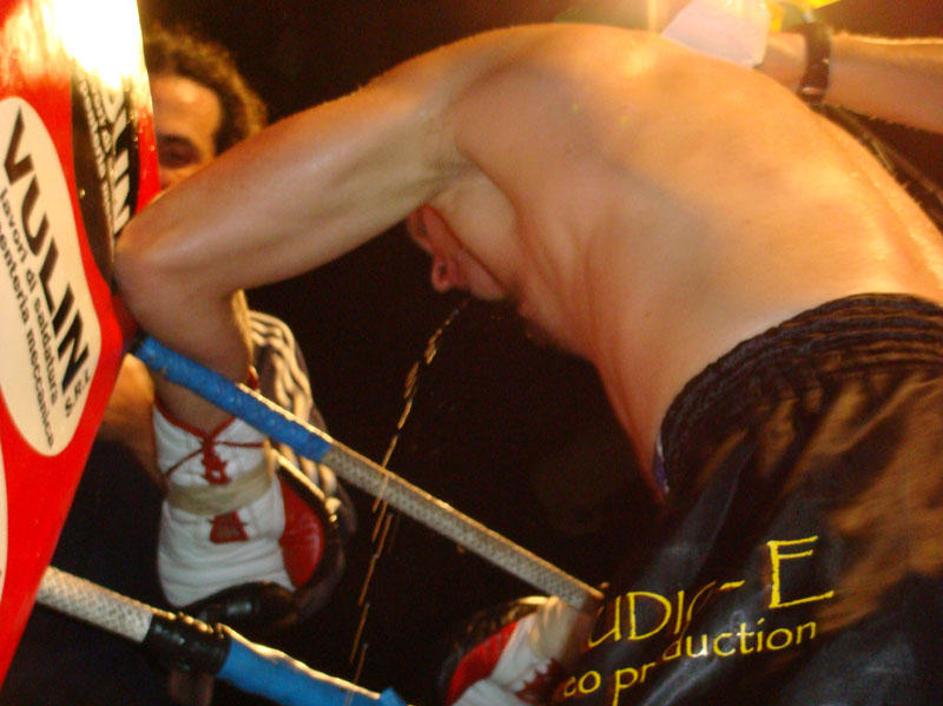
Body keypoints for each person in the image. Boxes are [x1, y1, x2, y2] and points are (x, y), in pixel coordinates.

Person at [115, 16, 943, 706]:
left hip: (843, 456)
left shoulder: (488, 80)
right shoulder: (769, 163)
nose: (441, 278)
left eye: (419, 231)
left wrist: (219, 482)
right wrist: (600, 634)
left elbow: (164, 255)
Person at [1, 23, 353, 706]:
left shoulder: (256, 342)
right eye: (123, 147)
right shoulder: (12, 277)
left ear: (226, 181)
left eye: (175, 152)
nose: (142, 171)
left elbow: (302, 574)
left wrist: (146, 422)